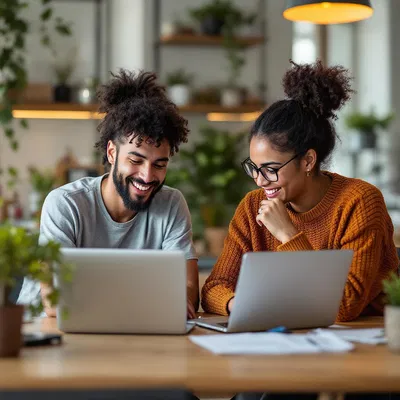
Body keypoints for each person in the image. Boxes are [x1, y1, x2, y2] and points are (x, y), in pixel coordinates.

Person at [202, 59, 398, 322]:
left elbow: (343, 306)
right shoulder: (252, 206)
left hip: (361, 339)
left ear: (307, 161)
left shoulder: (359, 202)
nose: (260, 181)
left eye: (270, 169)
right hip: (283, 334)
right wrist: (238, 305)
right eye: (254, 168)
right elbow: (215, 288)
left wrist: (287, 233)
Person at [18, 70, 199, 318]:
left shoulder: (171, 204)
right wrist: (149, 303)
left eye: (159, 164)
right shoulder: (66, 204)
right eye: (136, 160)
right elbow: (53, 300)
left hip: (120, 329)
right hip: (43, 333)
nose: (147, 176)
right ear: (112, 153)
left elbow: (188, 290)